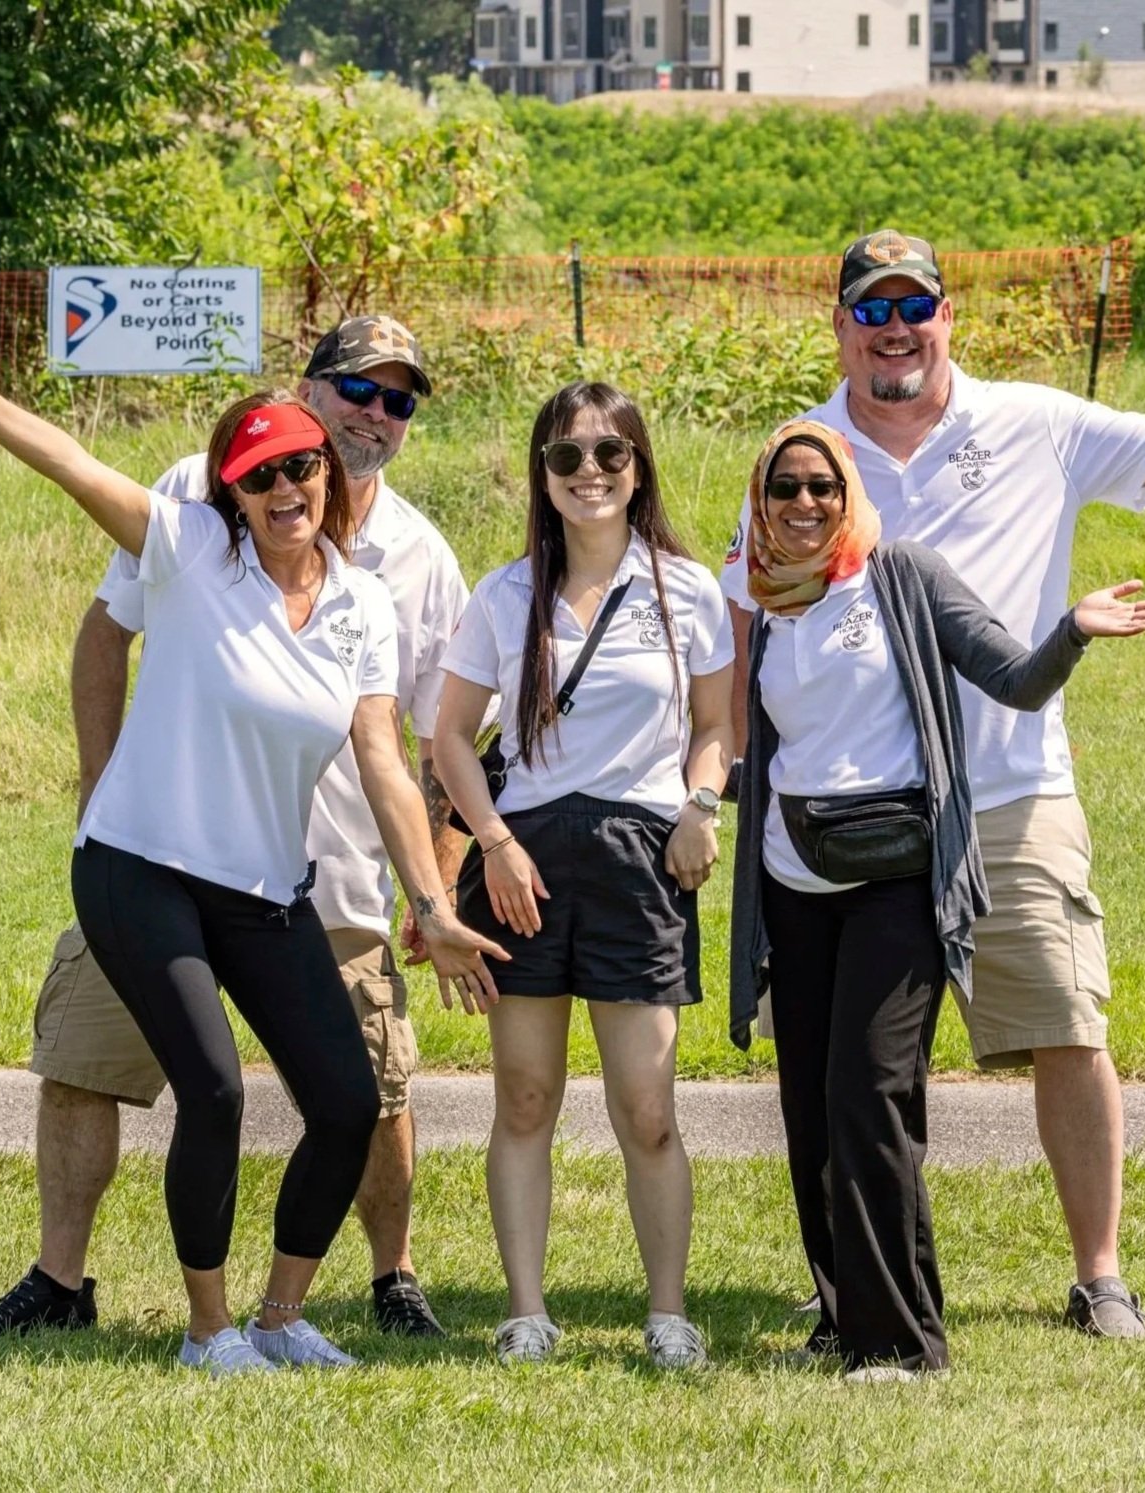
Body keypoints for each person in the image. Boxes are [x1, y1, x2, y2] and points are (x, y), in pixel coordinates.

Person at [0, 299, 506, 1377]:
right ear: (229, 491)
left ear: (327, 474)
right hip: (141, 865)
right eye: (257, 476)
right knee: (209, 1089)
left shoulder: (362, 601)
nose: (283, 491)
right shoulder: (192, 551)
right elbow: (73, 466)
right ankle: (206, 1329)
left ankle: (278, 1315)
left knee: (348, 1098)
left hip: (264, 883)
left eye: (298, 471)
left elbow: (385, 759)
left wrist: (437, 903)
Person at [722, 229, 1145, 1338]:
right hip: (863, 809)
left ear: (947, 316)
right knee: (851, 1059)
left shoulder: (1032, 423)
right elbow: (751, 612)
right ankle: (856, 1269)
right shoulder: (806, 451)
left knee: (1063, 1023)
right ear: (839, 325)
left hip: (1009, 784)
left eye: (914, 306)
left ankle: (1098, 1273)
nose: (894, 328)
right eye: (870, 309)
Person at [729, 420, 1145, 1380]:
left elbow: (1011, 679)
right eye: (783, 489)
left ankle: (897, 1344)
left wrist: (1072, 632)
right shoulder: (762, 602)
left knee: (869, 1093)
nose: (804, 505)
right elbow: (751, 749)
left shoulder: (900, 573)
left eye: (820, 487)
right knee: (807, 1104)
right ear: (757, 505)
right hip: (790, 879)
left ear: (847, 493)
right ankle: (845, 1308)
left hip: (898, 876)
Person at [433, 382, 733, 1369]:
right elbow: (446, 738)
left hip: (639, 859)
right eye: (566, 457)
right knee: (523, 1096)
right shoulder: (503, 593)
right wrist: (492, 841)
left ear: (638, 467)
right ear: (542, 475)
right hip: (523, 860)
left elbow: (714, 728)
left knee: (645, 1106)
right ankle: (525, 1309)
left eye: (608, 454)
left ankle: (667, 1311)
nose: (588, 473)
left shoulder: (683, 590)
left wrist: (700, 808)